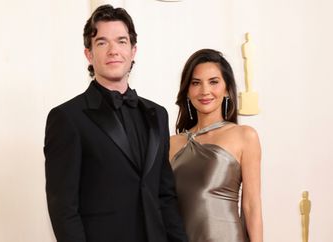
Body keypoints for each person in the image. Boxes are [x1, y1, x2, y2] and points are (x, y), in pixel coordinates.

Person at [44, 4, 187, 242]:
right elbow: (64, 209)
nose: (113, 50)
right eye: (102, 42)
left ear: (133, 50)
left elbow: (165, 195)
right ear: (89, 54)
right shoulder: (68, 118)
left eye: (121, 41)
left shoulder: (158, 114)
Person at [169, 49, 263, 242]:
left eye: (214, 82)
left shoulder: (244, 136)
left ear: (227, 89)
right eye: (196, 83)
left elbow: (252, 206)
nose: (205, 91)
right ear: (187, 91)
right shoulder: (172, 144)